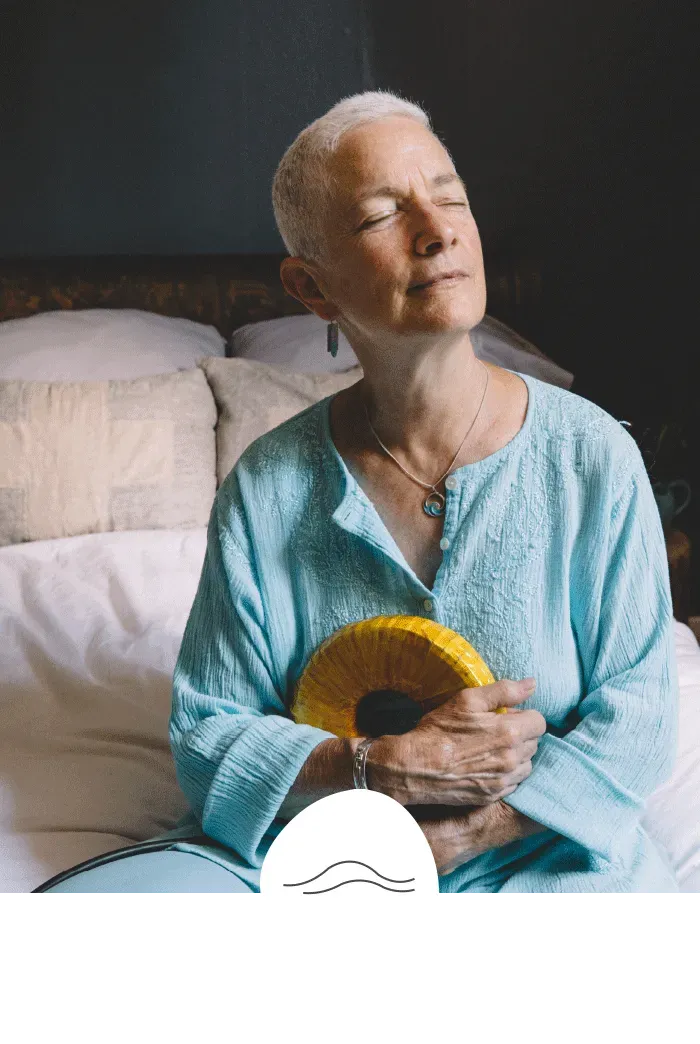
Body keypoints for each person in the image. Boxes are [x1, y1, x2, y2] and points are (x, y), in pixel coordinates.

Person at [37, 90, 679, 896]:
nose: (437, 230)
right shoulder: (267, 488)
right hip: (316, 848)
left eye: (451, 197)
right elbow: (209, 737)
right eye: (382, 215)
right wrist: (379, 770)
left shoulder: (590, 455)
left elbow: (640, 715)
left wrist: (470, 832)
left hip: (539, 852)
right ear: (312, 288)